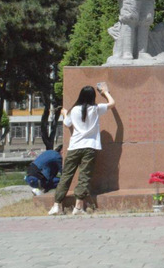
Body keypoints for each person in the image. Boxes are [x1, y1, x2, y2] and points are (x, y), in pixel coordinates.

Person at [48, 84, 115, 215]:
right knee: (84, 177)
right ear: (93, 97)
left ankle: (56, 205)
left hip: (74, 147)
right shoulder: (95, 109)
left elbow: (67, 124)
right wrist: (105, 92)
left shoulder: (73, 110)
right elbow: (112, 103)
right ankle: (78, 207)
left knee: (66, 175)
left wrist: (64, 113)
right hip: (90, 147)